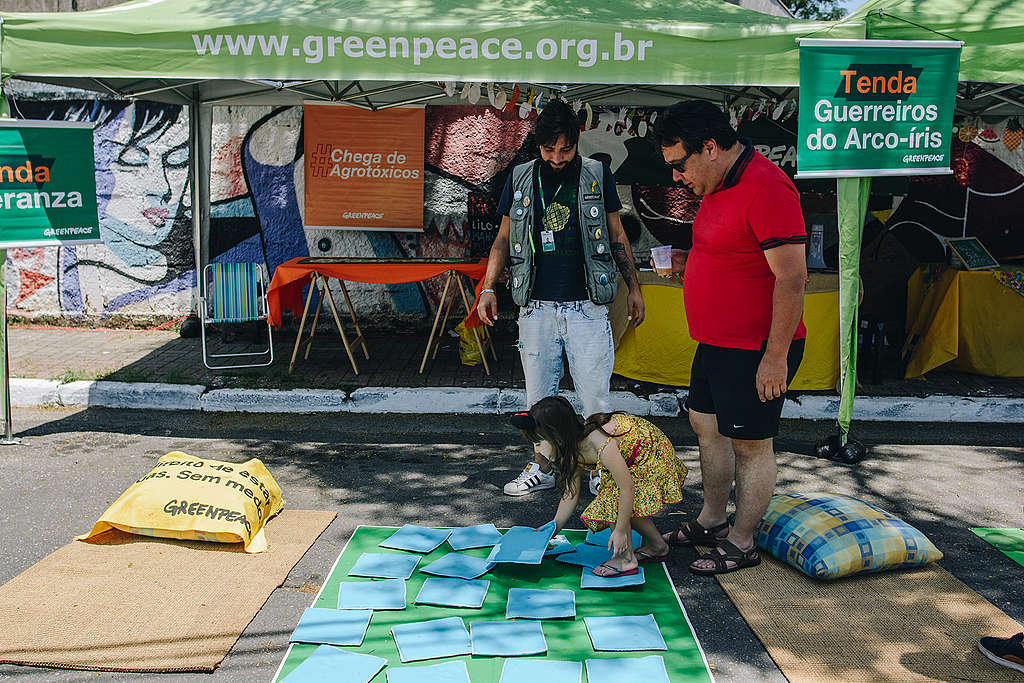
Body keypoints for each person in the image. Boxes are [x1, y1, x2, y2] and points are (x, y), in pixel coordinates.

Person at [653, 100, 807, 576]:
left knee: (751, 443)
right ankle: (712, 520)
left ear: (711, 148)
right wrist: (690, 263)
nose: (677, 177)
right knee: (705, 425)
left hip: (755, 348)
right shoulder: (718, 183)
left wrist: (775, 357)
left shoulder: (767, 187)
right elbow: (729, 249)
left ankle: (742, 542)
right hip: (717, 342)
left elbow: (792, 278)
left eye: (680, 164)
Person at [478, 99, 644, 497]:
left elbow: (617, 235)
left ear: (577, 142)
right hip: (536, 309)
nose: (556, 157)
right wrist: (487, 287)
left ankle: (602, 470)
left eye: (565, 149)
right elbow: (502, 239)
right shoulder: (519, 178)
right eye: (549, 149)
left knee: (595, 395)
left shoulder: (595, 175)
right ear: (538, 145)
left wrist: (634, 287)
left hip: (587, 308)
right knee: (539, 400)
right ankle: (543, 467)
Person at [510, 396, 687, 577]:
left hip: (651, 452)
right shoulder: (568, 448)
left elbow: (627, 488)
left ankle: (625, 559)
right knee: (616, 498)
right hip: (633, 455)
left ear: (557, 435)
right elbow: (571, 493)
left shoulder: (599, 443)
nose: (538, 450)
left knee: (613, 497)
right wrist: (553, 527)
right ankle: (658, 546)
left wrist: (619, 531)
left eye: (540, 442)